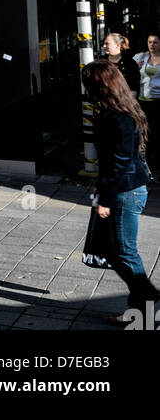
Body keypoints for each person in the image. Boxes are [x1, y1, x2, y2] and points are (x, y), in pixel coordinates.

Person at [82, 58, 160, 324]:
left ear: (100, 86)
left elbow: (120, 162)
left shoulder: (119, 117)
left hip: (125, 191)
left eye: (88, 85)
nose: (86, 91)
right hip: (124, 188)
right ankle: (139, 308)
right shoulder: (119, 111)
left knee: (124, 251)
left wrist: (104, 198)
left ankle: (149, 301)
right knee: (114, 249)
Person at [134, 33, 160, 169]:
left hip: (159, 102)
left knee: (158, 132)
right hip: (143, 101)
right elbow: (128, 69)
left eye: (155, 42)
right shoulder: (140, 57)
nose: (152, 45)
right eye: (150, 42)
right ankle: (147, 163)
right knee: (144, 132)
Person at [102, 32, 141, 96]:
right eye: (104, 43)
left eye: (107, 44)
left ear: (117, 45)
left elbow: (135, 87)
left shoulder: (130, 64)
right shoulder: (101, 63)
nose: (104, 46)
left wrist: (127, 100)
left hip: (125, 101)